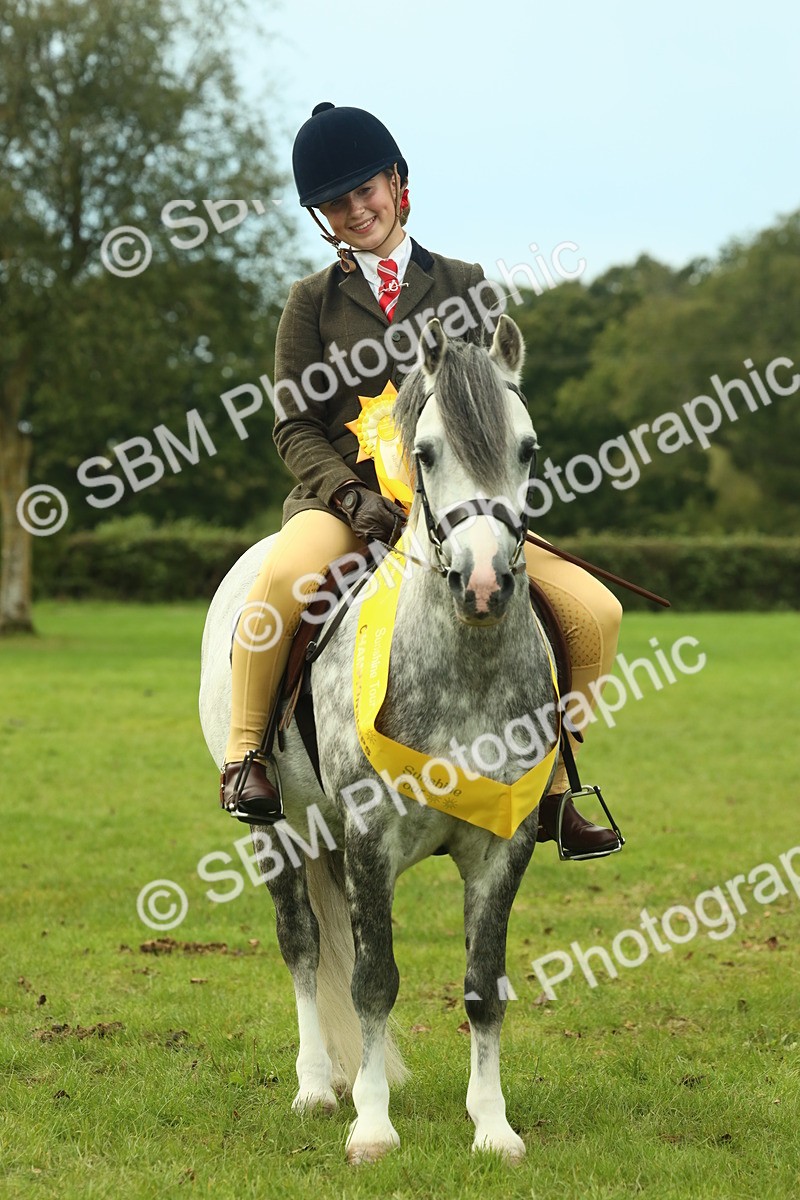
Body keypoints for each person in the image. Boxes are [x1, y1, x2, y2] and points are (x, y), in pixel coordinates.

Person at [220, 102, 622, 858]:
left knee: (594, 611)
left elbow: (497, 412)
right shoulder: (310, 304)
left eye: (365, 191)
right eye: (336, 203)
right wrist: (347, 495)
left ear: (397, 184)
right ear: (324, 219)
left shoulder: (468, 285)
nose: (355, 209)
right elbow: (292, 425)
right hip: (347, 504)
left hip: (463, 506)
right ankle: (248, 756)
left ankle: (555, 786)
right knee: (280, 580)